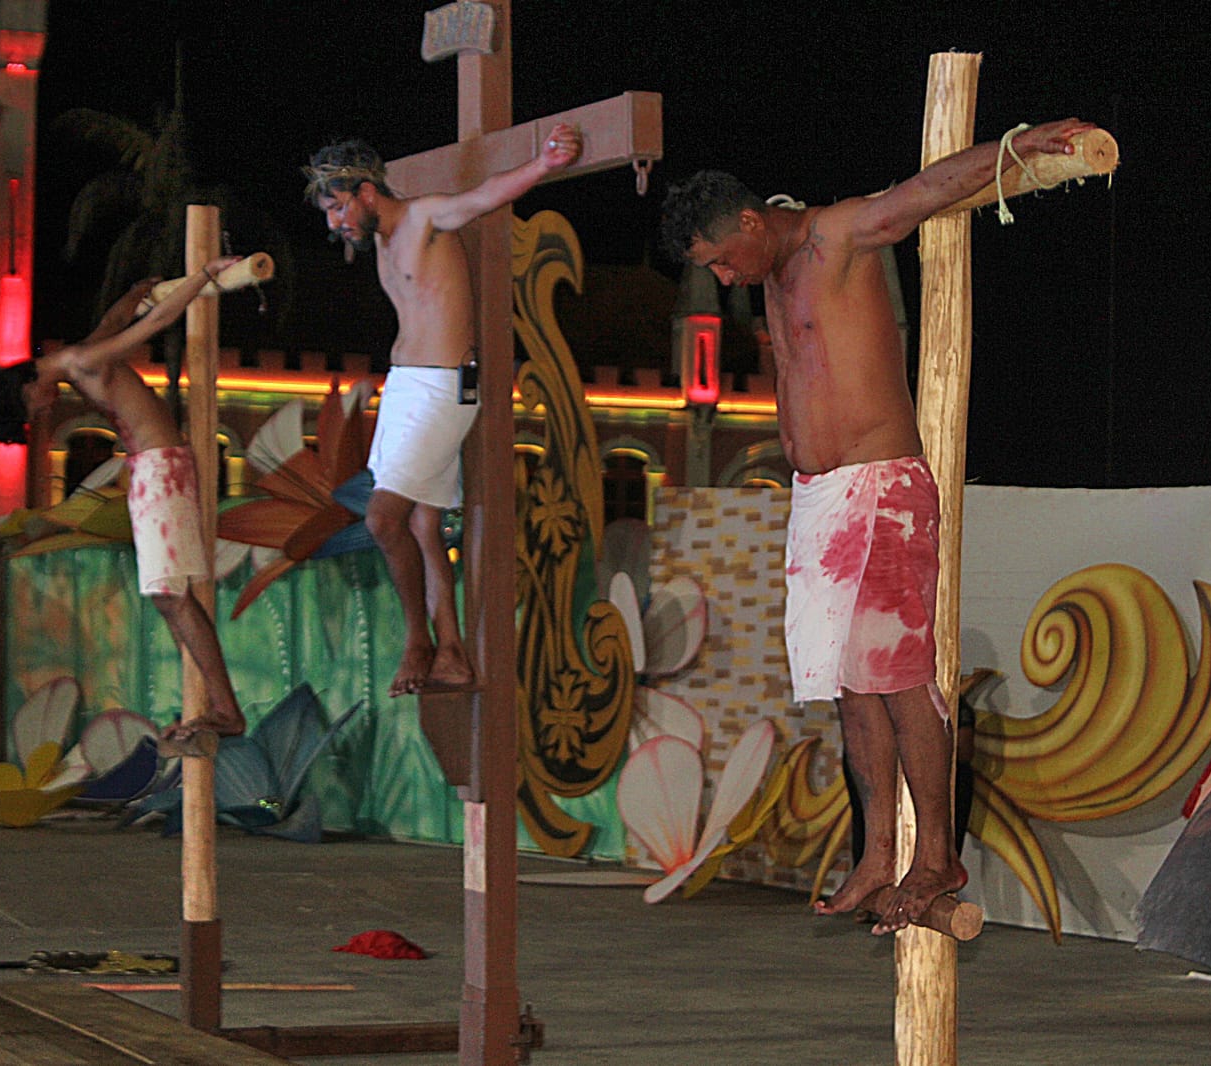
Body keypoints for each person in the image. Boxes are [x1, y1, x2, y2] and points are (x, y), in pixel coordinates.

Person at [660, 118, 1093, 934]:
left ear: (751, 223)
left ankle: (936, 855)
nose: (721, 276)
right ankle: (877, 852)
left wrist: (1019, 146)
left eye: (721, 258)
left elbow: (923, 193)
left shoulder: (836, 235)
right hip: (818, 498)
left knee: (898, 678)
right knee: (848, 688)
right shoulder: (772, 276)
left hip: (881, 487)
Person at [303, 124, 581, 697]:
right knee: (424, 526)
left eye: (336, 206)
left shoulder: (425, 217)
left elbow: (482, 197)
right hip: (406, 386)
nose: (334, 222)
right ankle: (451, 653)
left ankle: (418, 640)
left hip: (444, 386)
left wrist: (544, 165)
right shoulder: (379, 242)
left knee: (383, 519)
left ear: (365, 191)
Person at [0, 260, 248, 744]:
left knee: (172, 595)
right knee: (167, 597)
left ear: (26, 387)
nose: (44, 410)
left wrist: (203, 277)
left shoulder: (81, 363)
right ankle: (219, 704)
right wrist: (134, 292)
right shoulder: (81, 358)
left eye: (32, 408)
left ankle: (226, 708)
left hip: (160, 467)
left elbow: (155, 324)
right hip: (152, 468)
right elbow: (115, 323)